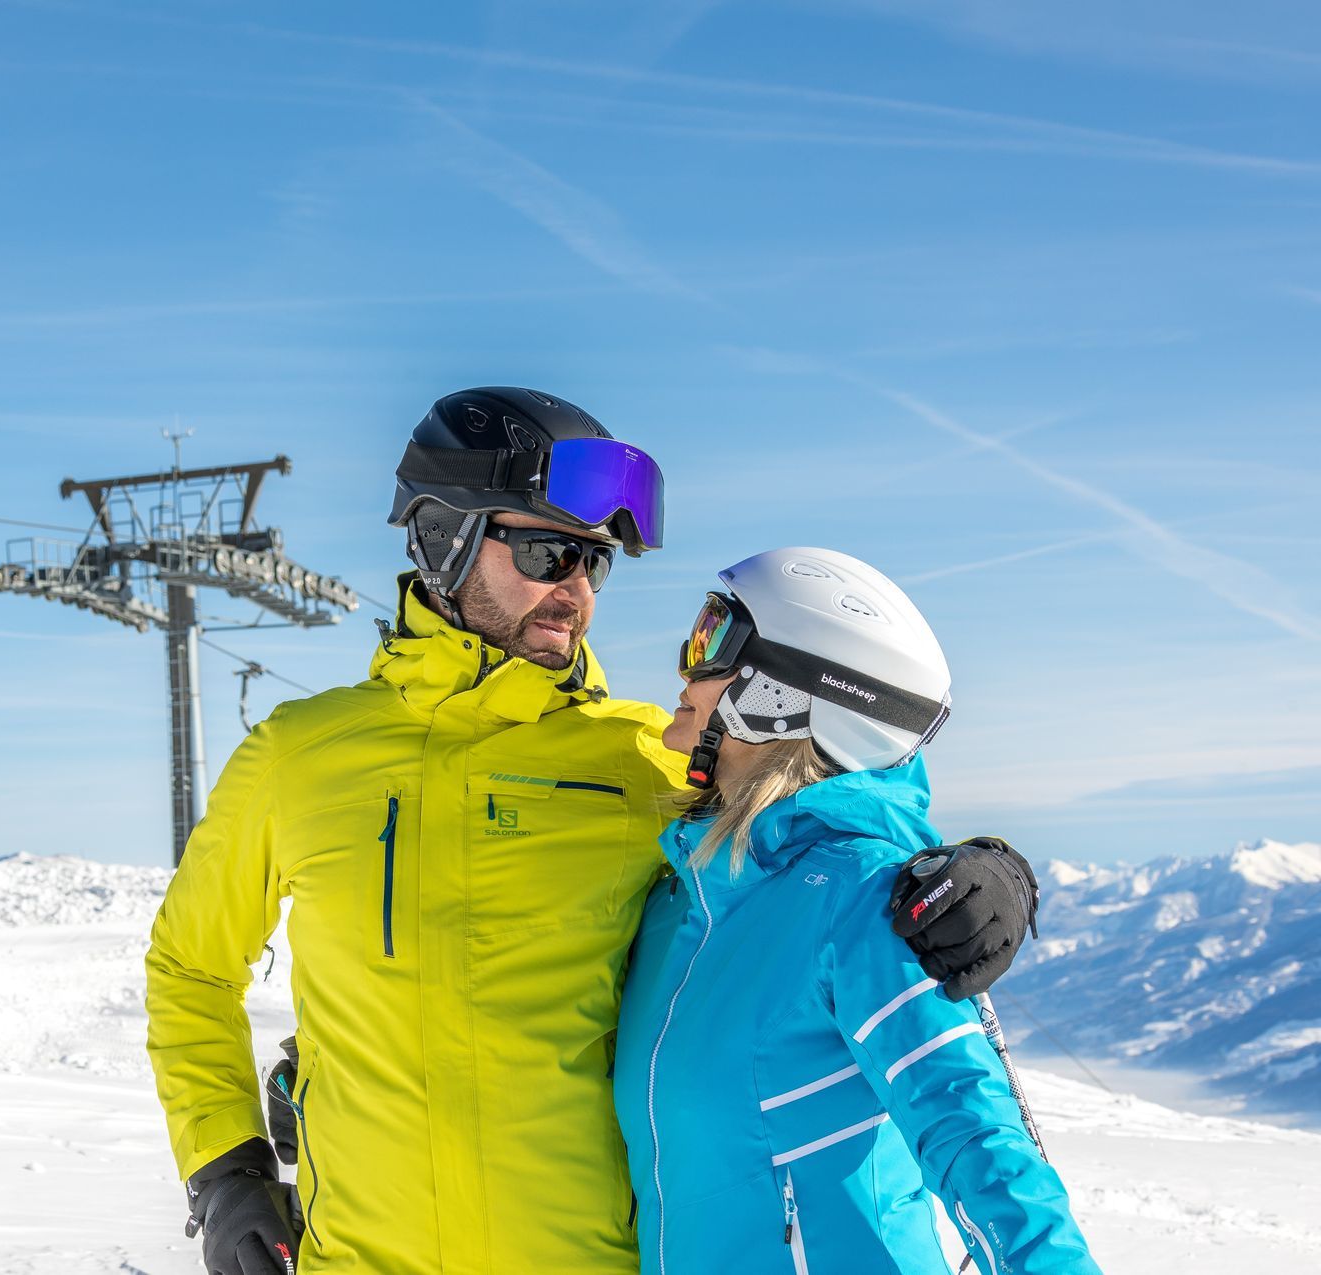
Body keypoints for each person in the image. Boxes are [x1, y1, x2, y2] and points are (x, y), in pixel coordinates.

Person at [145, 389, 1041, 1275]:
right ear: (442, 536)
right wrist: (227, 1168)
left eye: (595, 565)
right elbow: (192, 969)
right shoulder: (298, 760)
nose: (574, 591)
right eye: (545, 551)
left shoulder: (646, 760)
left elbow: (824, 820)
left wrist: (988, 871)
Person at [614, 547, 1096, 1274]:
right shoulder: (677, 899)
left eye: (714, 638)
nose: (687, 665)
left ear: (784, 695)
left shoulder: (861, 899)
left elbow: (978, 1141)